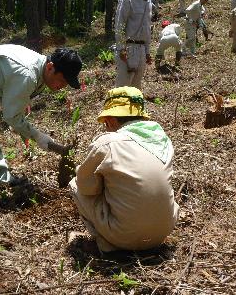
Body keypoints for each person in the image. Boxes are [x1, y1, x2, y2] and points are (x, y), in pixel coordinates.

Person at [0, 45, 82, 213]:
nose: (61, 86)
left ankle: (0, 178)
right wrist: (38, 136)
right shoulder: (26, 74)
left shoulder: (40, 71)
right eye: (62, 80)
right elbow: (11, 117)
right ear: (50, 67)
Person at [69, 86, 179, 252]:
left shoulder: (107, 143)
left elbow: (86, 187)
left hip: (124, 237)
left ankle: (107, 245)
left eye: (106, 123)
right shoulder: (162, 139)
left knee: (74, 184)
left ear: (111, 120)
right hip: (163, 231)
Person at [114, 0, 152, 89]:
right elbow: (119, 24)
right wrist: (122, 48)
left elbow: (147, 27)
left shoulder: (148, 1)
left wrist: (147, 51)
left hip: (142, 49)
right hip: (128, 47)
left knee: (136, 87)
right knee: (123, 86)